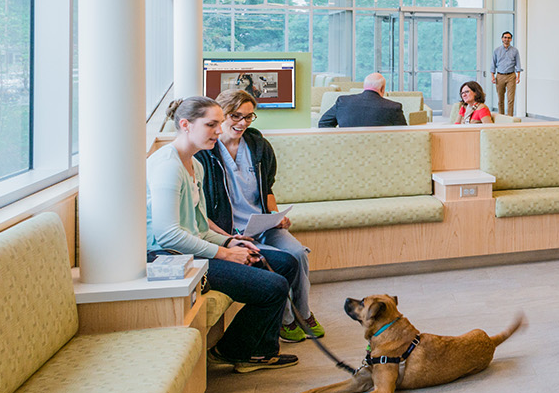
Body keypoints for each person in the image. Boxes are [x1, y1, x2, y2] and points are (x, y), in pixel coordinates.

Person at [146, 96, 300, 372]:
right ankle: (233, 351)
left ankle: (260, 350)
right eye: (211, 124)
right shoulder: (168, 167)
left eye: (219, 124)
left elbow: (199, 228)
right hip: (167, 258)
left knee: (287, 263)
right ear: (185, 125)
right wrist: (227, 253)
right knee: (272, 287)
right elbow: (168, 235)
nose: (220, 130)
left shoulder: (196, 166)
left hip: (193, 249)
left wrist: (231, 241)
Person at [198, 89, 324, 342]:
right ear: (222, 115)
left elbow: (267, 189)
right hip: (230, 231)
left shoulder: (258, 146)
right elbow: (200, 211)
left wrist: (276, 216)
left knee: (297, 253)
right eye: (236, 116)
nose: (243, 123)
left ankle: (303, 313)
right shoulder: (206, 152)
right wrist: (228, 238)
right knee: (280, 261)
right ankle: (286, 322)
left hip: (263, 224)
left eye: (249, 117)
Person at [318, 72, 406, 127]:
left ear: (364, 86)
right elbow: (403, 134)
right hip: (380, 153)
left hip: (346, 152)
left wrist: (338, 140)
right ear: (382, 89)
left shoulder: (343, 101)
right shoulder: (393, 107)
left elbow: (323, 123)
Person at [491, 31, 522, 116]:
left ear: (511, 39)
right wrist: (492, 76)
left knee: (510, 99)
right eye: (505, 37)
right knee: (500, 98)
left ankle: (510, 117)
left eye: (508, 38)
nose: (506, 39)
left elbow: (518, 64)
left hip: (511, 76)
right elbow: (493, 64)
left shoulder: (515, 51)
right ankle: (501, 116)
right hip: (500, 76)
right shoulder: (497, 50)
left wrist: (518, 76)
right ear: (502, 38)